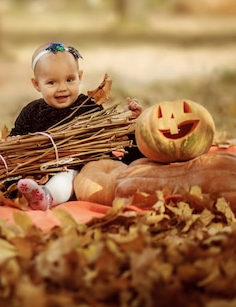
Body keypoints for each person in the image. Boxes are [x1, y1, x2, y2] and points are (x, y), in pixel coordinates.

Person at [10, 41, 142, 211]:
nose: (62, 88)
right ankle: (31, 190)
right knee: (23, 180)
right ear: (37, 84)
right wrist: (14, 140)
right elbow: (16, 137)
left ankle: (46, 197)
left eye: (69, 79)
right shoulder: (31, 112)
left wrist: (125, 120)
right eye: (52, 83)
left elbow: (111, 136)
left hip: (79, 170)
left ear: (80, 77)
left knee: (66, 178)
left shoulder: (89, 107)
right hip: (40, 168)